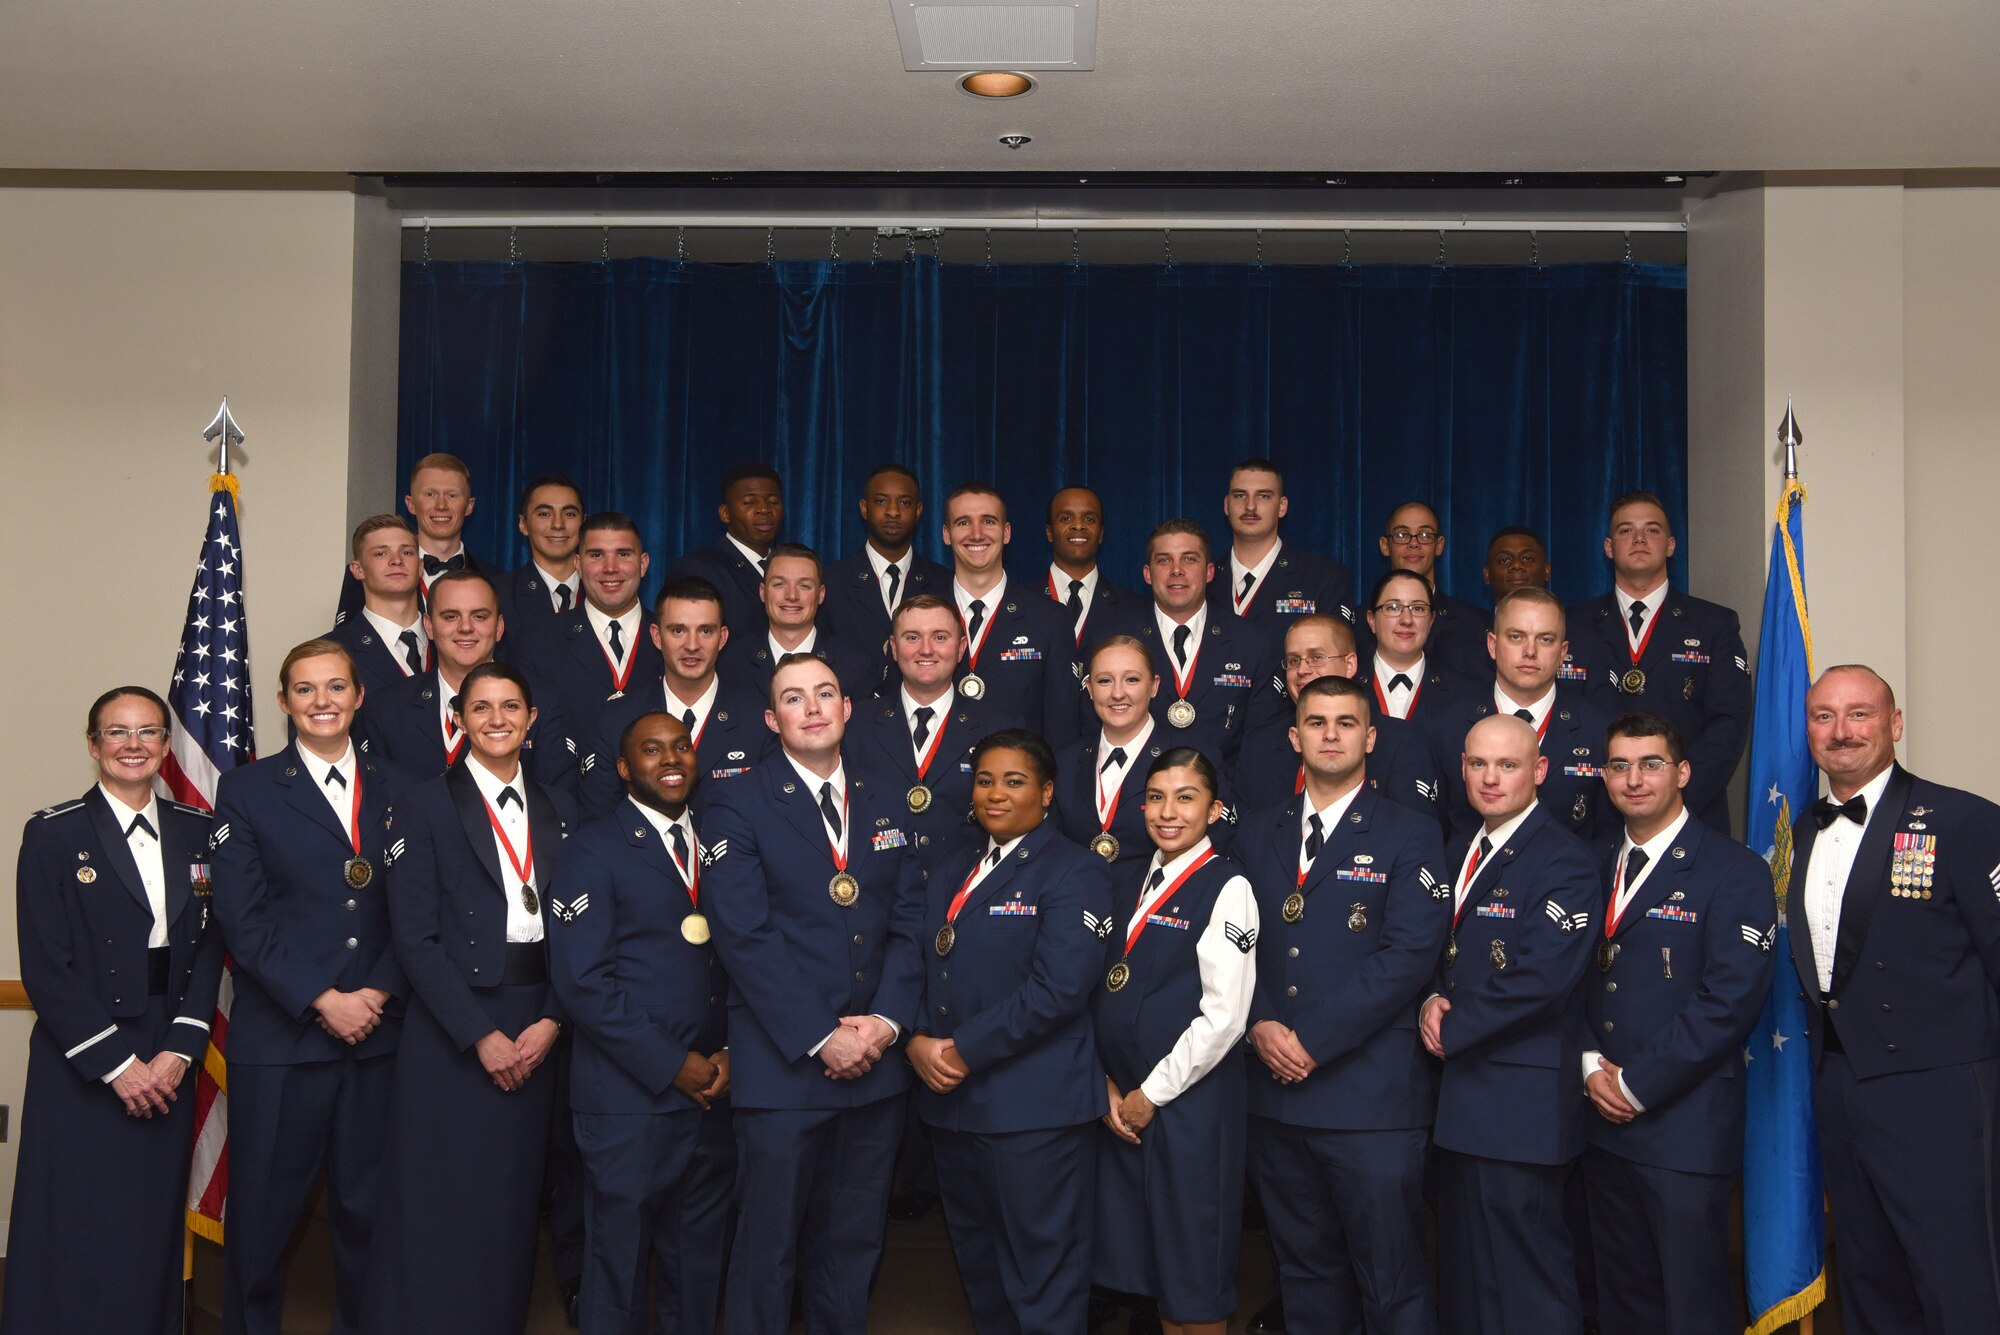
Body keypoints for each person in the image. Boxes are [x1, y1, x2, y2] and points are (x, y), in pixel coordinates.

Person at [702, 654, 927, 1335]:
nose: (813, 707)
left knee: (852, 1243)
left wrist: (885, 1023)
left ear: (848, 705)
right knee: (767, 1247)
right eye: (794, 698)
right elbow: (744, 936)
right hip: (785, 1068)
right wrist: (823, 1034)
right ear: (773, 720)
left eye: (825, 692)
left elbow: (913, 920)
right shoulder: (736, 800)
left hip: (875, 1069)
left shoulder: (890, 795)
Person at [0, 687, 223, 1335]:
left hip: (166, 1049)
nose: (133, 744)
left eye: (147, 731)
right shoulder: (53, 831)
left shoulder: (199, 830)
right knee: (73, 1216)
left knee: (148, 1220)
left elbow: (210, 945)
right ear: (93, 743)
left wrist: (180, 1049)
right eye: (117, 731)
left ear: (164, 744)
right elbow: (45, 965)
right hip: (87, 1050)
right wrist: (118, 1064)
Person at [362, 663, 577, 1333]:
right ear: (458, 718)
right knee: (438, 1193)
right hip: (453, 1024)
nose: (496, 718)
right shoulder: (422, 802)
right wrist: (479, 1034)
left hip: (537, 1014)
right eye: (480, 707)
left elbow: (581, 928)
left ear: (532, 718)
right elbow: (414, 938)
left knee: (509, 1200)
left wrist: (551, 1018)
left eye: (511, 705)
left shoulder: (562, 807)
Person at [1786, 664, 2000, 1334]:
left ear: (1895, 724)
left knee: (1956, 1280)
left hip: (1941, 1092)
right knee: (1869, 1277)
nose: (1841, 730)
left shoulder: (1965, 819)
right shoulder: (1802, 831)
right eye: (1824, 715)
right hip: (1841, 1088)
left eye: (1860, 713)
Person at [1237, 676, 1447, 1335]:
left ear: (1371, 737)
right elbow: (1233, 939)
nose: (1331, 733)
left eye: (1347, 722)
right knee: (1305, 1274)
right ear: (1295, 737)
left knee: (1391, 1280)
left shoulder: (1411, 832)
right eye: (1318, 721)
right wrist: (1262, 1021)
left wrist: (1311, 1040)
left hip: (1369, 1100)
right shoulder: (1257, 830)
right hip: (1275, 1096)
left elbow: (1410, 954)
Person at [210, 639, 404, 1335]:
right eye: (304, 688)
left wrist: (375, 993)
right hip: (285, 1039)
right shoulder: (249, 789)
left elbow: (417, 909)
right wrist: (325, 997)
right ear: (285, 700)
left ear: (358, 696)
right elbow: (242, 916)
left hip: (379, 1041)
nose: (321, 701)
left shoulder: (402, 784)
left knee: (367, 1216)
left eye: (335, 687)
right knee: (262, 1220)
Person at [907, 730, 1113, 1334]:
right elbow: (922, 963)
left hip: (1033, 1112)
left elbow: (1059, 990)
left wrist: (963, 1051)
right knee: (981, 1272)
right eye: (985, 780)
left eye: (1014, 781)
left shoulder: (1075, 870)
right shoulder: (951, 866)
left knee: (1042, 1277)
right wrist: (916, 1037)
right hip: (952, 1108)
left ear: (1047, 793)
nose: (995, 794)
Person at [1580, 711, 1774, 1335]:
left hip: (1683, 1128)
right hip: (1597, 1125)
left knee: (1693, 1306)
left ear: (1683, 772)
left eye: (1651, 764)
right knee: (1621, 1301)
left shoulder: (1732, 869)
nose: (1634, 779)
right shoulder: (1587, 863)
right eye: (1620, 765)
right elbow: (1564, 982)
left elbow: (1729, 1000)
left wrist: (1636, 1083)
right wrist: (1590, 1067)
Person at [547, 711, 737, 1335]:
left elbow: (746, 955)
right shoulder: (591, 849)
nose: (672, 759)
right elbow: (583, 983)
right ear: (626, 770)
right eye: (652, 751)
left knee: (698, 1267)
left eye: (681, 746)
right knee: (618, 1268)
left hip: (715, 1093)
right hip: (628, 1100)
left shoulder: (722, 841)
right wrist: (671, 1063)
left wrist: (733, 1052)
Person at [1420, 714, 1597, 1335]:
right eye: (1477, 764)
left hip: (1521, 1108)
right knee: (1469, 1278)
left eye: (1508, 765)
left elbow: (1542, 978)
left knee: (1529, 1281)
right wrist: (1431, 999)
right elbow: (1442, 953)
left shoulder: (1564, 861)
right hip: (1463, 1102)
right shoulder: (1462, 846)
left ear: (1540, 771)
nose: (1490, 779)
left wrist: (1453, 1023)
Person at [1094, 748, 1258, 1335]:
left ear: (1214, 810)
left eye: (1186, 798)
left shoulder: (1228, 885)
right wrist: (1109, 1086)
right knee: (1153, 1265)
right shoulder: (1125, 877)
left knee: (1194, 1273)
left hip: (1187, 1105)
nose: (1168, 812)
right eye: (1156, 797)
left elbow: (1225, 1018)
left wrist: (1149, 1095)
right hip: (1124, 1100)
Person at [1564, 491, 1750, 835]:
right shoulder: (1571, 625)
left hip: (1689, 815)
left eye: (1651, 530)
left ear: (1670, 545)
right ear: (1608, 547)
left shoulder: (1714, 623)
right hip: (1590, 819)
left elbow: (1729, 724)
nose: (1638, 539)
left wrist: (1674, 800)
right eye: (1625, 531)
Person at [1424, 588, 1614, 841]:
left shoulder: (1599, 730)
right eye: (1516, 637)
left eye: (1545, 639)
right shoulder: (1444, 723)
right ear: (1492, 645)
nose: (1530, 651)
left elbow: (1608, 837)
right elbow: (1430, 830)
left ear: (1563, 652)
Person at [583, 575, 773, 820]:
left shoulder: (758, 719)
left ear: (723, 638)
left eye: (705, 631)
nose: (692, 645)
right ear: (656, 636)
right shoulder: (616, 720)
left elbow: (771, 820)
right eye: (678, 630)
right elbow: (600, 825)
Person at [1233, 614, 1443, 821]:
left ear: (1349, 665)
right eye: (1294, 660)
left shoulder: (1401, 742)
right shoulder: (1259, 745)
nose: (1303, 670)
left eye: (1316, 657)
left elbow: (1413, 835)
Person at [506, 511, 665, 751]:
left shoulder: (675, 639)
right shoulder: (537, 643)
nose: (610, 568)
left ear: (643, 564)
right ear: (578, 564)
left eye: (623, 554)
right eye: (596, 555)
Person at [847, 595, 992, 858]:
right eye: (912, 637)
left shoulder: (997, 729)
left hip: (964, 887)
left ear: (960, 648)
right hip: (880, 890)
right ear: (893, 647)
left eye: (939, 637)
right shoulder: (854, 726)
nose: (926, 649)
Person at [940, 482, 1082, 745]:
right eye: (963, 523)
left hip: (1016, 781)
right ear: (946, 534)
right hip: (937, 783)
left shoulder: (1050, 620)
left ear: (1006, 533)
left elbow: (1062, 731)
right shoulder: (919, 615)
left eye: (988, 522)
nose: (977, 534)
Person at [1124, 519, 1267, 776]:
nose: (1176, 570)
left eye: (1189, 559)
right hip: (1136, 800)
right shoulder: (1116, 638)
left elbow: (1260, 744)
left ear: (1210, 572)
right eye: (1164, 560)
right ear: (1147, 573)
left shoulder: (1251, 642)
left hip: (1223, 800)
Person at [1055, 636, 1170, 884]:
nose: (1118, 693)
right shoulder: (1063, 762)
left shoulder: (1187, 759)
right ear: (1089, 688)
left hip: (1154, 908)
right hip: (1074, 905)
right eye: (1105, 681)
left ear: (1154, 685)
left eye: (1132, 679)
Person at [1209, 458, 1354, 640]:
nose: (1250, 506)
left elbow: (1334, 655)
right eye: (1240, 495)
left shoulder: (1322, 579)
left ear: (1282, 506)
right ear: (1226, 505)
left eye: (1263, 496)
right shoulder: (1205, 581)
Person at [823, 462, 952, 660]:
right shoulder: (830, 581)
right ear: (864, 508)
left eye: (905, 503)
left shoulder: (945, 583)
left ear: (918, 511)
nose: (893, 512)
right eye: (882, 501)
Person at [719, 542, 878, 699]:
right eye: (779, 584)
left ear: (821, 594)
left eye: (804, 586)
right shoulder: (729, 664)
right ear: (762, 592)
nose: (792, 596)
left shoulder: (856, 668)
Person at [1353, 501, 1488, 677]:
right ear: (1385, 545)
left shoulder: (1474, 625)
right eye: (1402, 535)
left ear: (1439, 545)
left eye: (1425, 535)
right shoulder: (1356, 626)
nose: (1414, 543)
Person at [666, 461, 785, 642]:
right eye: (749, 502)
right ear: (725, 513)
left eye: (773, 501)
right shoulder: (697, 570)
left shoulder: (792, 568)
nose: (764, 509)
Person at [1353, 569, 1482, 729]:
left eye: (1418, 608)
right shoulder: (1347, 686)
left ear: (1431, 621)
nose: (1406, 620)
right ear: (1371, 620)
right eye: (1393, 607)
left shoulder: (1466, 692)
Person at [327, 514, 430, 700]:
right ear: (358, 570)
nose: (396, 560)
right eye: (381, 553)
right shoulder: (329, 653)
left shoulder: (454, 643)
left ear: (420, 566)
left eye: (406, 552)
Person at [1045, 484, 1144, 652]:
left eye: (1089, 519)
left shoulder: (1134, 608)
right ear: (1049, 532)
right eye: (1066, 518)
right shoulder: (1021, 603)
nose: (1078, 526)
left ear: (1101, 534)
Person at [498, 473, 585, 641]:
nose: (558, 524)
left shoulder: (605, 591)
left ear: (584, 523)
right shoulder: (499, 595)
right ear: (523, 524)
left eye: (569, 514)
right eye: (544, 514)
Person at [1482, 525, 1550, 600]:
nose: (1516, 565)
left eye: (1527, 559)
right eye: (1504, 560)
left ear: (1547, 570)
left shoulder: (1563, 612)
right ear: (1487, 574)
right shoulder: (1467, 611)